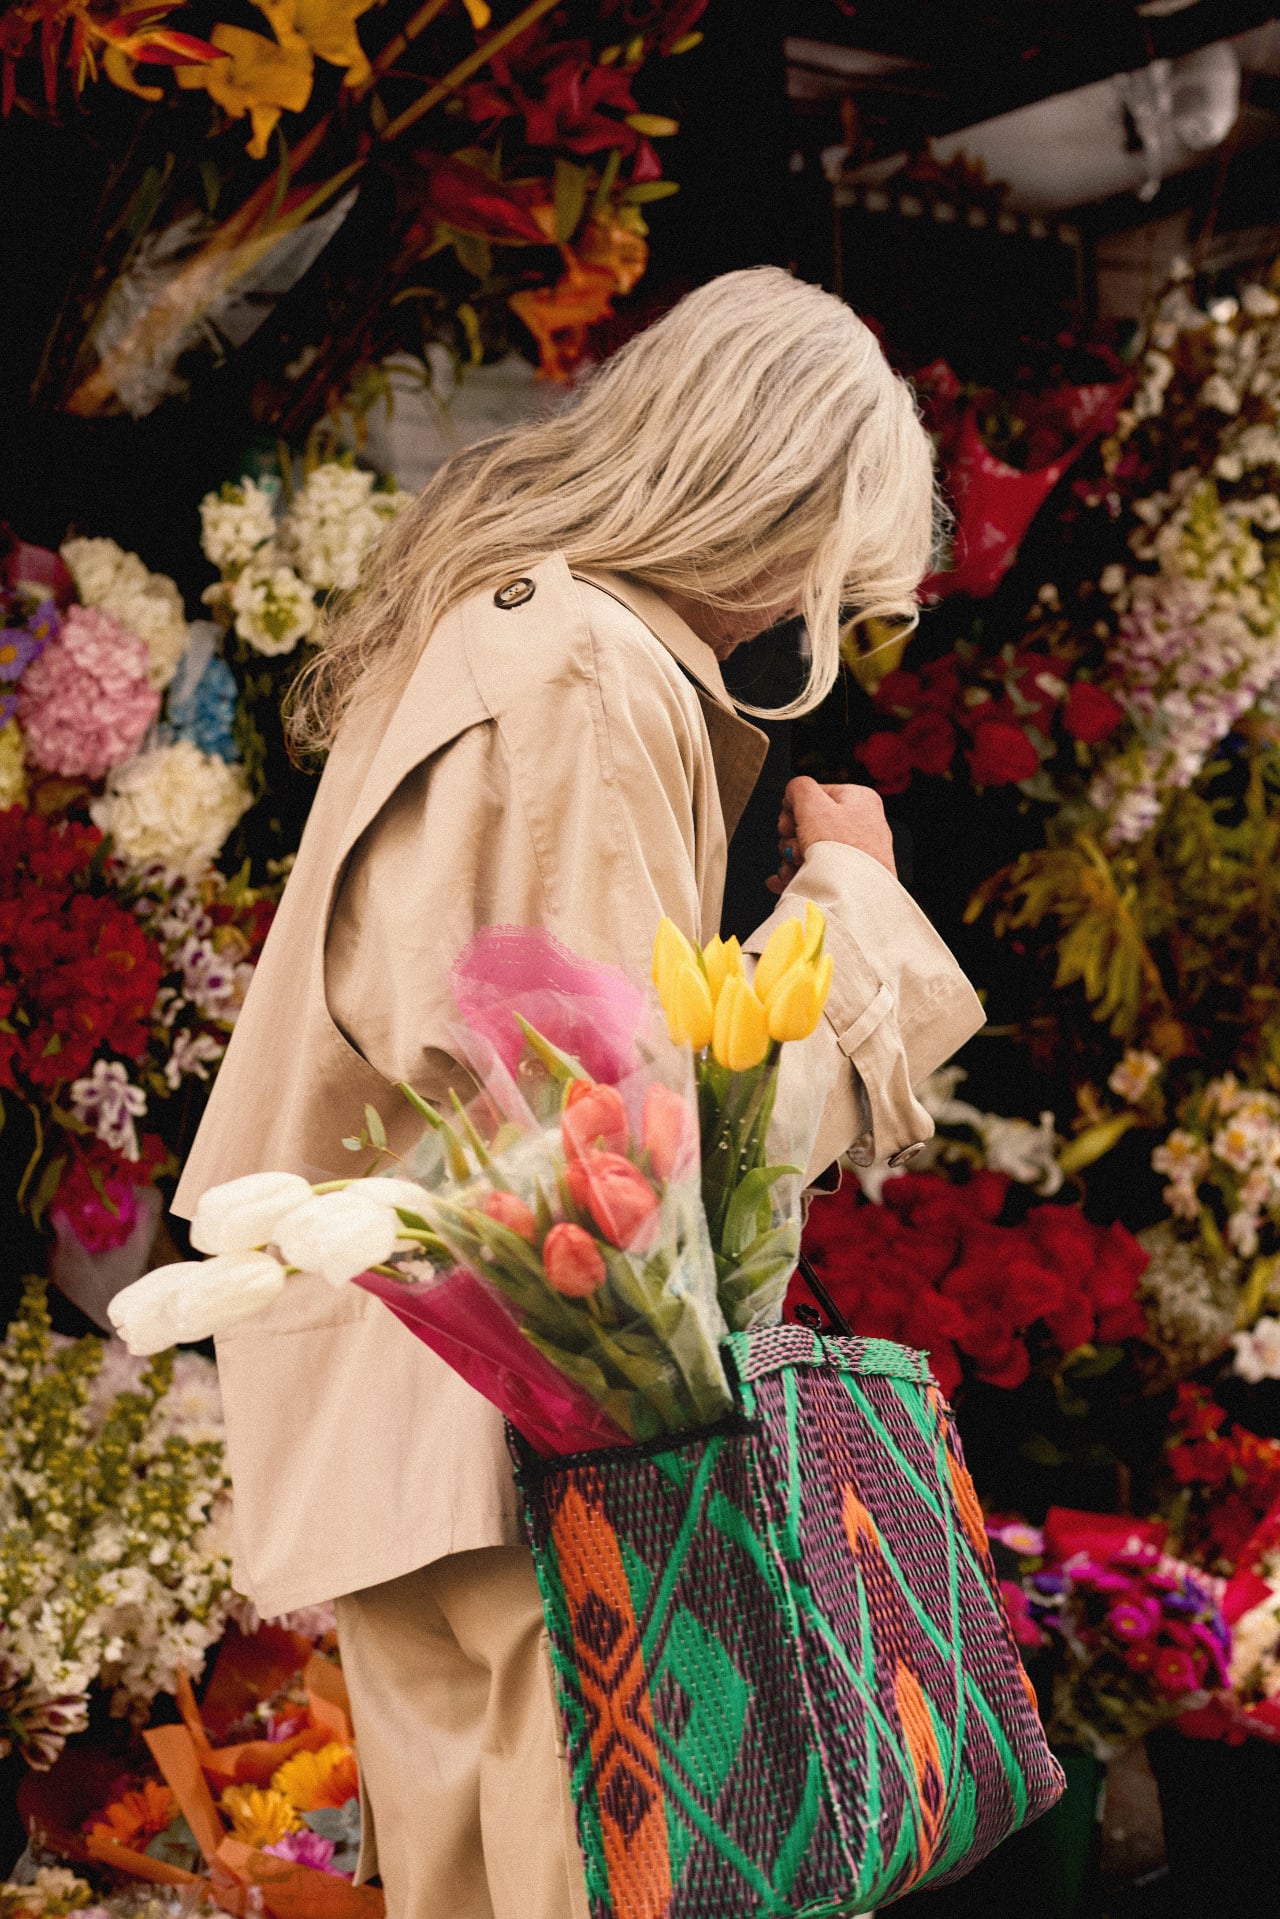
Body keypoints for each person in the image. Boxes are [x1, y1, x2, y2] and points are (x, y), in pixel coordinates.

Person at [172, 267, 985, 1919]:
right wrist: (855, 903)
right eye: (839, 582)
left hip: (432, 1418)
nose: (806, 630)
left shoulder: (505, 634)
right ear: (776, 497)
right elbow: (633, 1151)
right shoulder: (583, 669)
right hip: (539, 1438)